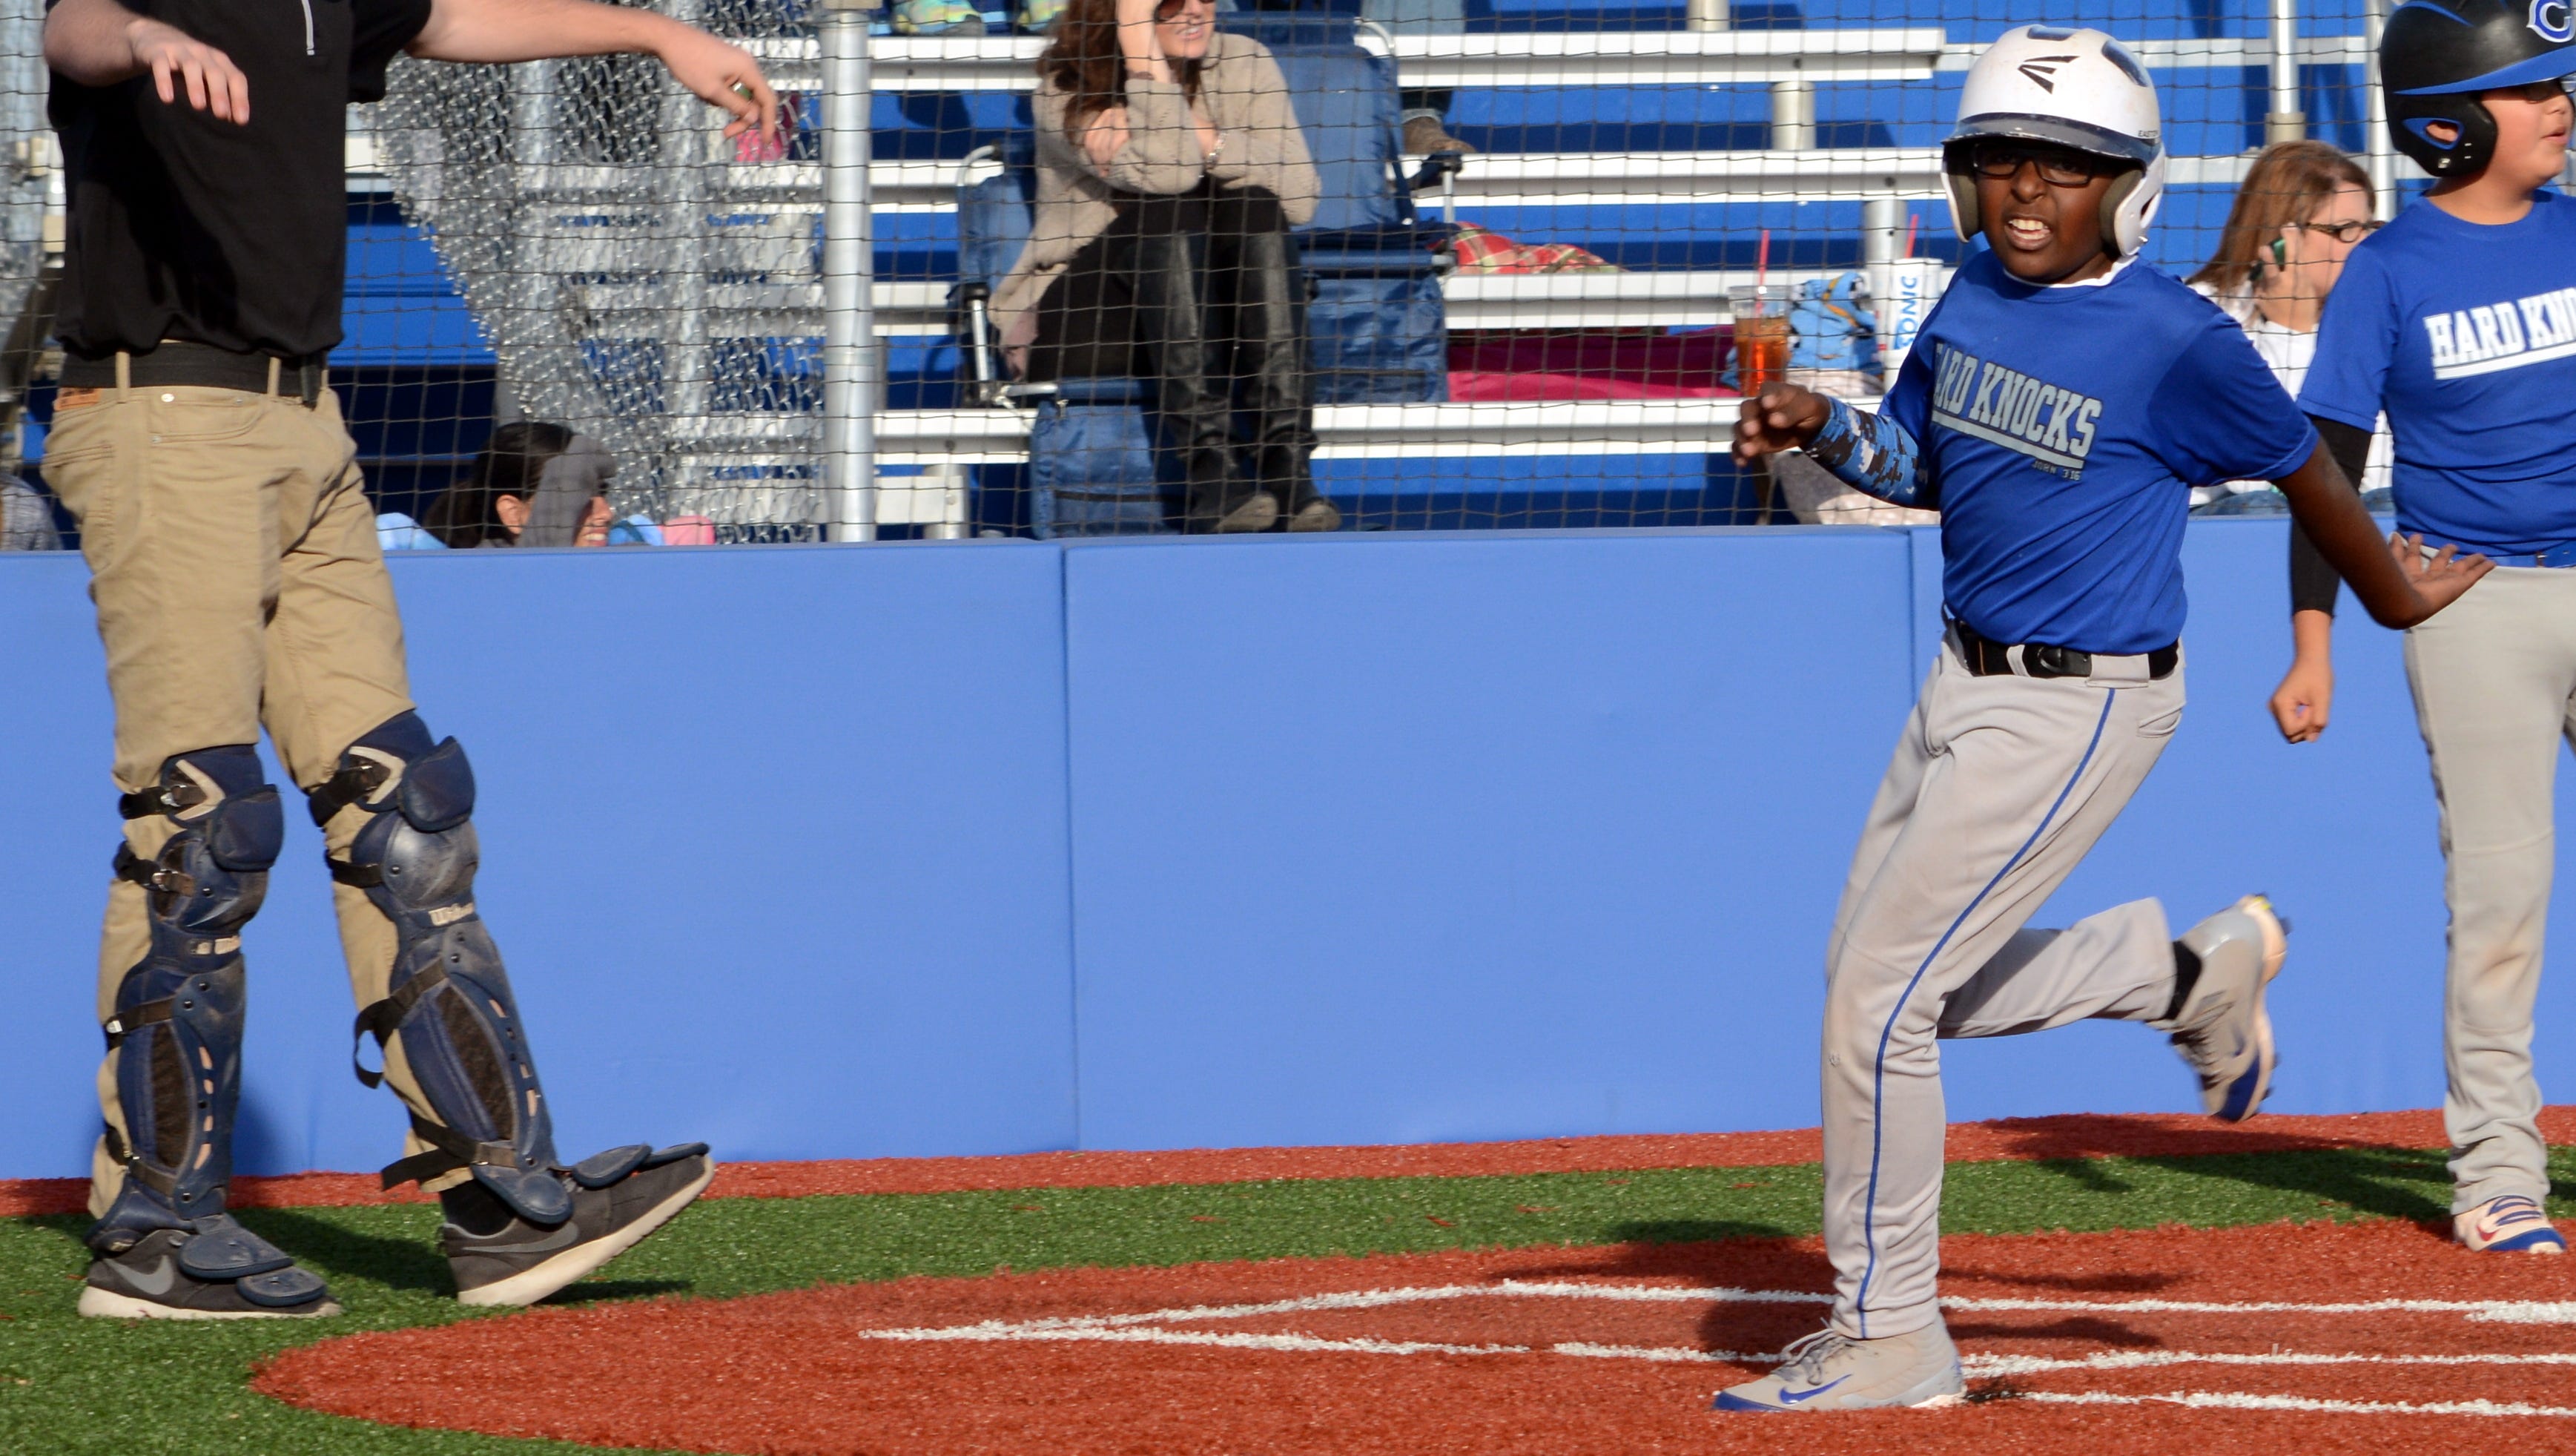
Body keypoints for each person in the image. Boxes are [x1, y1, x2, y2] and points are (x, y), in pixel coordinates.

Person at [1713, 26, 2487, 1412]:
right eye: (1998, 160)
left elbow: (2303, 466)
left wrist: (2387, 595)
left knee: (1874, 1003)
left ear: (2125, 187)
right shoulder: (1965, 292)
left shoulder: (2172, 338)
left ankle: (1892, 1332)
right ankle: (2180, 977)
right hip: (1959, 683)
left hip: (2077, 705)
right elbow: (1923, 467)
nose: (2024, 190)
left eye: (2064, 168)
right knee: (1876, 986)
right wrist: (1818, 420)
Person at [41, 0, 779, 1319]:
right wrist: (147, 43)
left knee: (406, 813)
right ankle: (153, 1229)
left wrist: (655, 34)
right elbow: (74, 27)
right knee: (200, 818)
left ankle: (501, 1199)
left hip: (307, 422)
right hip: (163, 411)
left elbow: (446, 17)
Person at [2269, 0, 2576, 1256]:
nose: (2558, 106)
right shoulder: (2387, 269)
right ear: (2447, 123)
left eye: (2560, 85)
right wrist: (2311, 641)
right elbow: (2323, 467)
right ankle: (2497, 1172)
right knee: (2500, 894)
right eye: (2530, 90)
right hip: (2472, 606)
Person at [995, 0, 1340, 533]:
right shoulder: (1066, 83)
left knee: (1256, 205)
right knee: (1169, 207)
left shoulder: (1245, 62)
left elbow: (1300, 197)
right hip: (1091, 317)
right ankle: (1212, 474)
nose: (1196, 10)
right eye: (1171, 2)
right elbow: (1170, 174)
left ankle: (1288, 469)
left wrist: (1211, 140)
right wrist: (1141, 51)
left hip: (1217, 312)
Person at [2185, 140, 2393, 515]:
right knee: (2265, 509)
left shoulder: (2371, 312)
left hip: (2344, 512)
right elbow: (2258, 478)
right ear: (2283, 240)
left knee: (2391, 503)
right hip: (2227, 514)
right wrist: (2288, 329)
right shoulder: (2202, 314)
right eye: (2345, 230)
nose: (2363, 246)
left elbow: (2375, 475)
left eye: (2367, 228)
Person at [423, 422, 621, 549]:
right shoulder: (474, 587)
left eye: (602, 494)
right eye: (579, 496)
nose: (606, 514)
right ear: (514, 514)